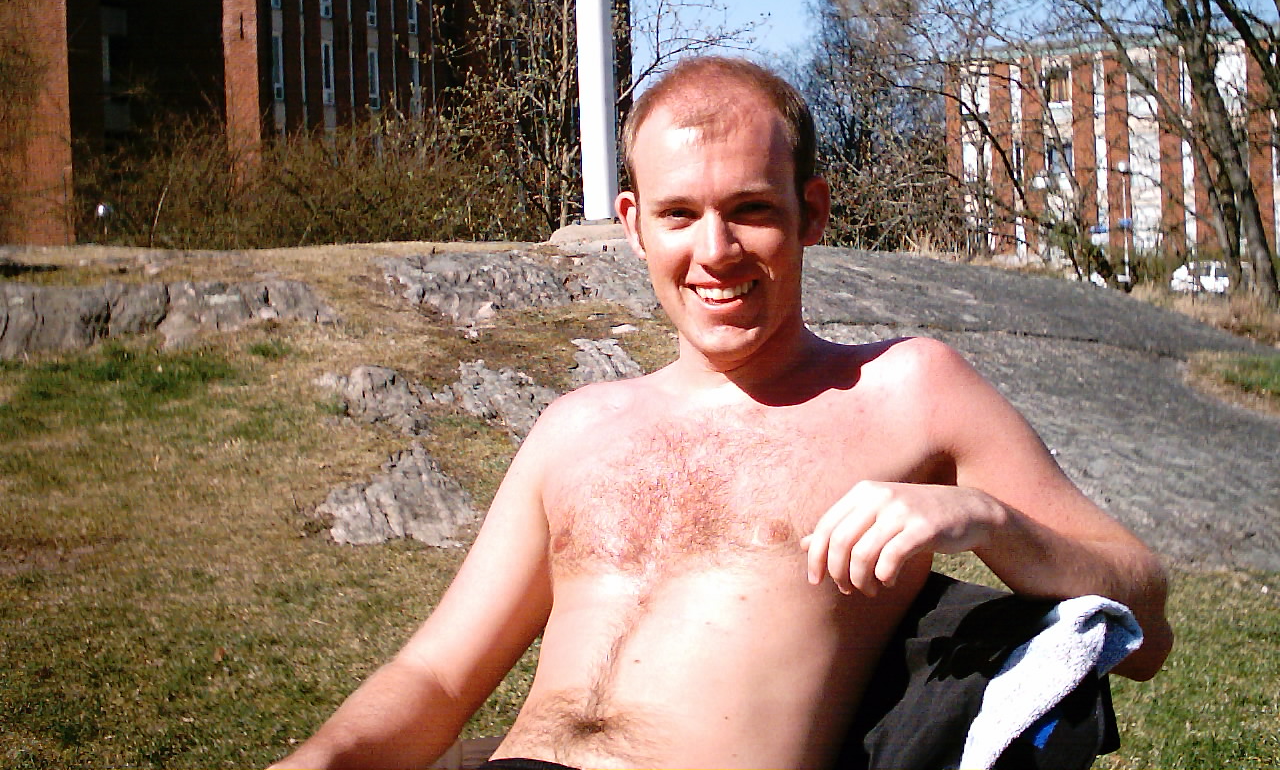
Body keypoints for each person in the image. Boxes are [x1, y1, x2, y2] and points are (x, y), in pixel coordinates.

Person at [271, 56, 1172, 770]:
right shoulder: (575, 429)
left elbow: (1143, 629)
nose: (715, 251)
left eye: (750, 210)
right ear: (634, 224)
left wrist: (989, 519)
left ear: (811, 211)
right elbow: (435, 675)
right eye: (678, 214)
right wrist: (319, 758)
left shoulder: (908, 389)